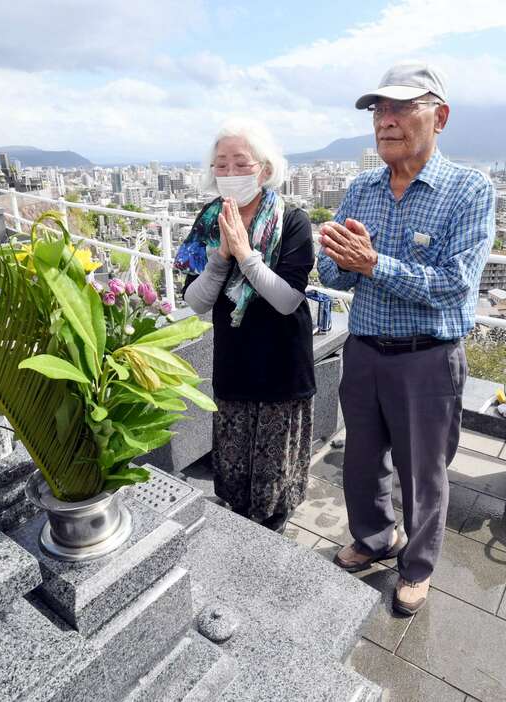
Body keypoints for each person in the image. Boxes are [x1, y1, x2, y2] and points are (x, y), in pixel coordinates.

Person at [317, 63, 495, 615]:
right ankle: (375, 538)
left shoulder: (469, 190)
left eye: (400, 108)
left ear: (439, 116)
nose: (385, 121)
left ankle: (416, 568)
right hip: (365, 349)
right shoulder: (361, 187)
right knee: (362, 461)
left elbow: (455, 286)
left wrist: (374, 264)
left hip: (427, 360)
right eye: (377, 110)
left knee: (424, 474)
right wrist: (342, 259)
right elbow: (336, 276)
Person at [175, 119, 315, 533]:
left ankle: (270, 545)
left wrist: (246, 254)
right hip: (235, 361)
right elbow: (195, 301)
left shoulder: (293, 220)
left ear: (264, 169)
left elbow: (288, 299)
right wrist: (220, 258)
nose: (231, 174)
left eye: (241, 163)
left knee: (274, 485)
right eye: (222, 165)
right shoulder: (208, 220)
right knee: (234, 476)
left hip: (282, 364)